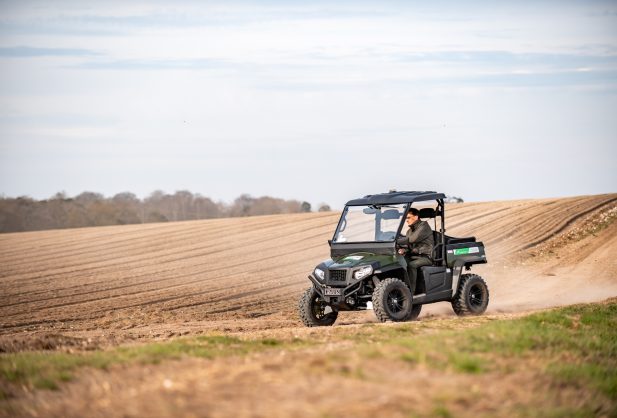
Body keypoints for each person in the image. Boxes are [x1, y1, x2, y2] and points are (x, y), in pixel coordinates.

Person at [397, 208, 434, 296]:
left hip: (426, 256)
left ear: (416, 217)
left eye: (408, 217)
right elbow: (408, 245)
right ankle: (399, 288)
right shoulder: (409, 231)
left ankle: (410, 293)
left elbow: (412, 239)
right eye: (406, 218)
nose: (406, 220)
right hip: (414, 256)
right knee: (399, 263)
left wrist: (398, 241)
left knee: (411, 265)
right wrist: (403, 250)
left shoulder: (424, 226)